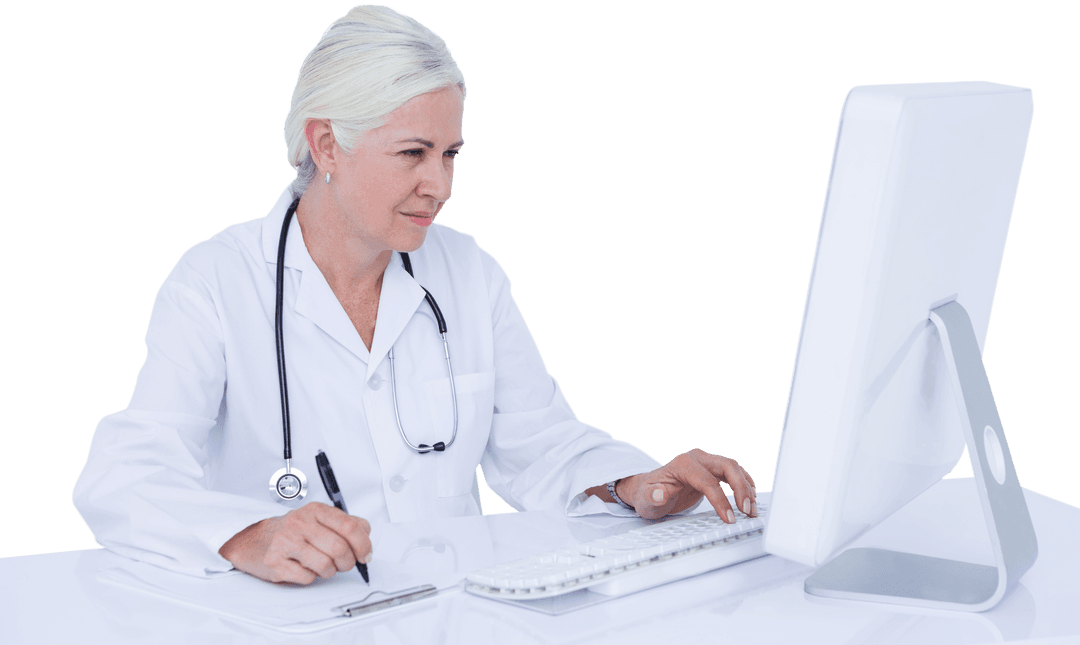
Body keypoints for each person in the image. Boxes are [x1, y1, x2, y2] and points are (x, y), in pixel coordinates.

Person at [72, 4, 757, 585]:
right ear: (327, 145)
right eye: (413, 153)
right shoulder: (217, 280)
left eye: (451, 154)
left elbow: (542, 446)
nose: (440, 185)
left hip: (451, 629)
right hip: (289, 639)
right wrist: (247, 534)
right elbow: (123, 478)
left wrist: (632, 485)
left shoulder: (466, 269)